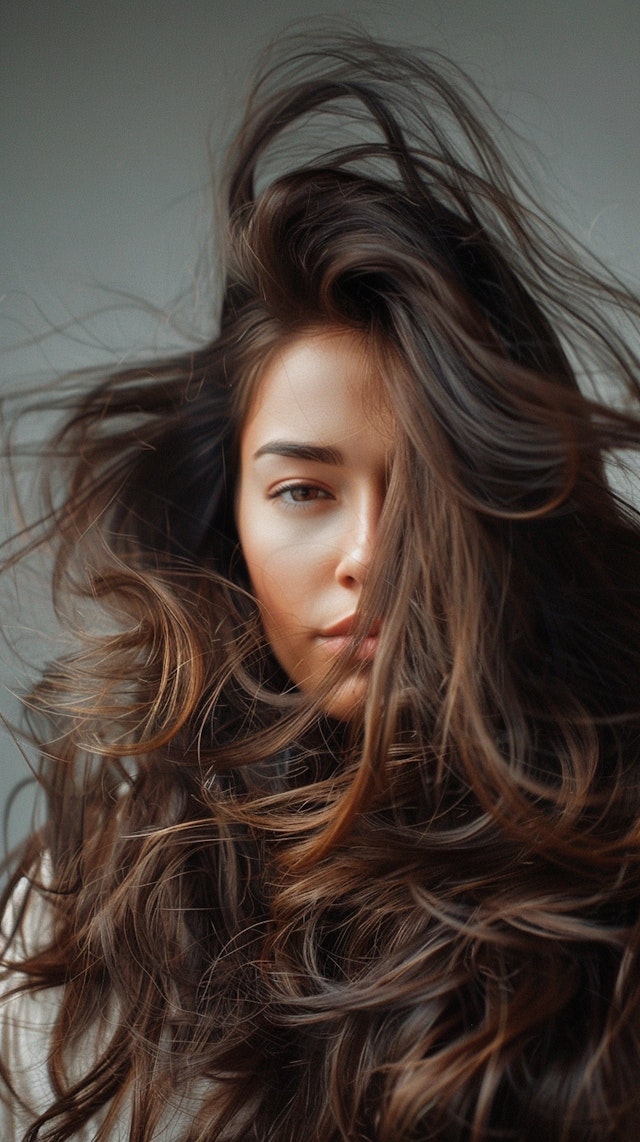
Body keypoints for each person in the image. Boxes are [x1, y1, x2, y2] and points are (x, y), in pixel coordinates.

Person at [2, 32, 640, 1142]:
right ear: (228, 515)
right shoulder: (91, 895)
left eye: (430, 492)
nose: (371, 556)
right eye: (303, 490)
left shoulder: (616, 870)